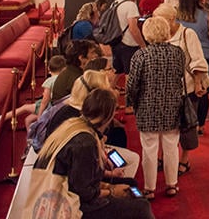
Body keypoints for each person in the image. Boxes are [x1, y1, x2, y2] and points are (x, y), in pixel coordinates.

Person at [31, 88, 154, 219]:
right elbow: (83, 192)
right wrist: (111, 190)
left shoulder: (74, 124)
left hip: (63, 191)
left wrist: (109, 184)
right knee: (141, 207)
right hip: (70, 204)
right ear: (108, 116)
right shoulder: (85, 142)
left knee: (131, 185)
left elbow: (80, 177)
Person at [126, 17, 185, 199]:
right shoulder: (177, 53)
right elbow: (180, 77)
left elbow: (133, 84)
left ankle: (150, 188)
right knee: (171, 147)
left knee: (149, 150)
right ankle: (171, 185)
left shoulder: (141, 55)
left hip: (147, 107)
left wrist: (132, 103)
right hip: (172, 106)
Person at [44, 70, 139, 180]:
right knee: (132, 159)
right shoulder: (80, 122)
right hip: (64, 178)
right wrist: (110, 187)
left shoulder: (71, 108)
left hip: (63, 168)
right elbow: (82, 181)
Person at [155, 4, 207, 176]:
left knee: (186, 127)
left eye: (160, 20)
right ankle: (163, 155)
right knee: (165, 126)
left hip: (187, 89)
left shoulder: (187, 34)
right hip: (165, 90)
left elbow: (198, 60)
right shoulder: (159, 35)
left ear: (170, 20)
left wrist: (199, 83)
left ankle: (184, 158)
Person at [177, 0, 209, 133]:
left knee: (186, 90)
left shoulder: (177, 15)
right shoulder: (207, 14)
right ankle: (200, 125)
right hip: (204, 56)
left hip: (183, 56)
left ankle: (187, 121)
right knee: (203, 91)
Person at [0, 54, 65, 129]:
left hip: (48, 107)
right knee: (28, 120)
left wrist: (40, 115)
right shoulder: (64, 79)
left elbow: (45, 100)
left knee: (24, 108)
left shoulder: (50, 81)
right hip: (57, 106)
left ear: (48, 69)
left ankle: (0, 119)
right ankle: (32, 139)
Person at [112, 0, 145, 77]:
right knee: (129, 73)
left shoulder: (115, 3)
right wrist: (142, 45)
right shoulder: (131, 5)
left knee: (117, 71)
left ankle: (109, 90)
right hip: (128, 44)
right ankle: (128, 92)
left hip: (116, 41)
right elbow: (133, 28)